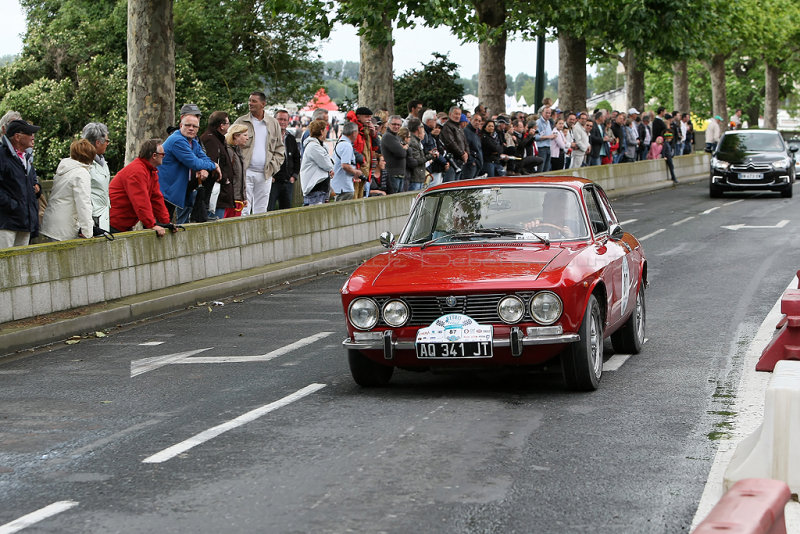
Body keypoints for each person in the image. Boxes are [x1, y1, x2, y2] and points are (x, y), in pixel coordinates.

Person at [158, 111, 219, 223]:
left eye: (194, 126)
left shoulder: (193, 142)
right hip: (164, 192)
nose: (191, 128)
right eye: (188, 125)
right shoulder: (177, 140)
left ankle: (201, 213)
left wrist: (205, 167)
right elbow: (194, 163)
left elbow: (203, 158)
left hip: (174, 190)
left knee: (167, 223)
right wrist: (214, 165)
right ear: (181, 126)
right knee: (160, 226)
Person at [233, 91, 286, 215]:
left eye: (254, 101)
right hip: (245, 172)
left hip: (265, 173)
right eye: (249, 100)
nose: (250, 104)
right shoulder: (241, 121)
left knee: (261, 210)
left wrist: (273, 167)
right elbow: (230, 143)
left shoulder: (273, 123)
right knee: (243, 209)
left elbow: (280, 148)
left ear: (263, 104)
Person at [108, 138, 173, 236]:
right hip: (115, 223)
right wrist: (151, 224)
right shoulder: (137, 171)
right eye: (162, 155)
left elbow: (156, 198)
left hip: (124, 223)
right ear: (154, 156)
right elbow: (141, 201)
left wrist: (165, 222)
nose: (164, 157)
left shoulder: (151, 171)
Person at [40, 139, 96, 241]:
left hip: (51, 224)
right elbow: (83, 204)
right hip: (65, 228)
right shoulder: (81, 173)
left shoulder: (63, 170)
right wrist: (88, 232)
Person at [0, 119, 41, 248]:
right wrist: (13, 205)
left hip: (25, 222)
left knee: (23, 264)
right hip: (6, 223)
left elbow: (32, 181)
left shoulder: (26, 158)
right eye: (29, 133)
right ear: (17, 137)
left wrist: (37, 190)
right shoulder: (2, 155)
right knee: (4, 263)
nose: (33, 137)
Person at [199, 111, 233, 220]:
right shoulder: (210, 139)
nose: (229, 126)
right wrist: (224, 179)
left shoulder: (218, 139)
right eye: (228, 123)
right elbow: (211, 163)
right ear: (221, 126)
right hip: (215, 193)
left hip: (220, 192)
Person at [81, 123, 112, 231]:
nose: (108, 144)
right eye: (107, 141)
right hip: (91, 219)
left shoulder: (102, 161)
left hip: (102, 217)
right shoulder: (83, 162)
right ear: (98, 143)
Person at [269, 109, 300, 211]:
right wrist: (270, 175)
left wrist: (294, 175)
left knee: (286, 211)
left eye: (284, 120)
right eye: (280, 119)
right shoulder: (269, 137)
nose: (282, 122)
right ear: (274, 120)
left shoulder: (290, 138)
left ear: (288, 121)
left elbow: (296, 158)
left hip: (287, 181)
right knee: (270, 209)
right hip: (273, 181)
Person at [299, 119, 333, 205]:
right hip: (315, 188)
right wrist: (330, 168)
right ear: (321, 131)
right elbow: (327, 164)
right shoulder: (313, 147)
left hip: (321, 188)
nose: (327, 131)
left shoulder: (319, 145)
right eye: (325, 129)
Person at [331, 121, 363, 201]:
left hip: (339, 185)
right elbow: (345, 165)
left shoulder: (340, 143)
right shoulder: (346, 146)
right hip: (344, 186)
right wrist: (356, 172)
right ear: (354, 133)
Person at [223, 124, 249, 218]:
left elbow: (240, 177)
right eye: (245, 135)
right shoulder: (229, 151)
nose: (247, 138)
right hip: (231, 199)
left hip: (238, 199)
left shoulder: (237, 151)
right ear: (236, 136)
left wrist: (243, 197)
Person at [381, 115, 407, 194]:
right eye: (394, 124)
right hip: (392, 174)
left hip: (400, 174)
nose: (396, 126)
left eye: (398, 125)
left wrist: (404, 148)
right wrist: (404, 148)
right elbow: (401, 153)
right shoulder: (388, 137)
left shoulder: (397, 137)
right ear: (389, 124)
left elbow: (409, 150)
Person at [439, 106, 468, 177]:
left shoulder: (459, 127)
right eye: (456, 114)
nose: (458, 116)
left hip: (460, 160)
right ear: (450, 114)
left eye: (459, 114)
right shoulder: (447, 127)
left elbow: (465, 141)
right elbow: (450, 142)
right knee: (450, 182)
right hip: (452, 160)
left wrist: (467, 153)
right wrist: (462, 153)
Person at [406, 118, 428, 190]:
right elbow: (417, 160)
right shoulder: (413, 142)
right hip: (415, 178)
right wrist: (430, 156)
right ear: (419, 128)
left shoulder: (416, 141)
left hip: (418, 177)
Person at [463, 113, 484, 179]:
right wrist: (471, 161)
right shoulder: (466, 131)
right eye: (476, 120)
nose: (477, 122)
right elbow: (465, 147)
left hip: (477, 163)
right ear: (471, 120)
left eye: (479, 121)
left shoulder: (476, 132)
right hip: (471, 164)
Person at [535, 106, 556, 171]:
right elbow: (536, 137)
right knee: (541, 168)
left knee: (547, 168)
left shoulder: (548, 122)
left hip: (548, 147)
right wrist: (548, 137)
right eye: (546, 113)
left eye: (549, 113)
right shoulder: (538, 122)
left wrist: (552, 136)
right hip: (541, 148)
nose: (548, 115)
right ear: (542, 113)